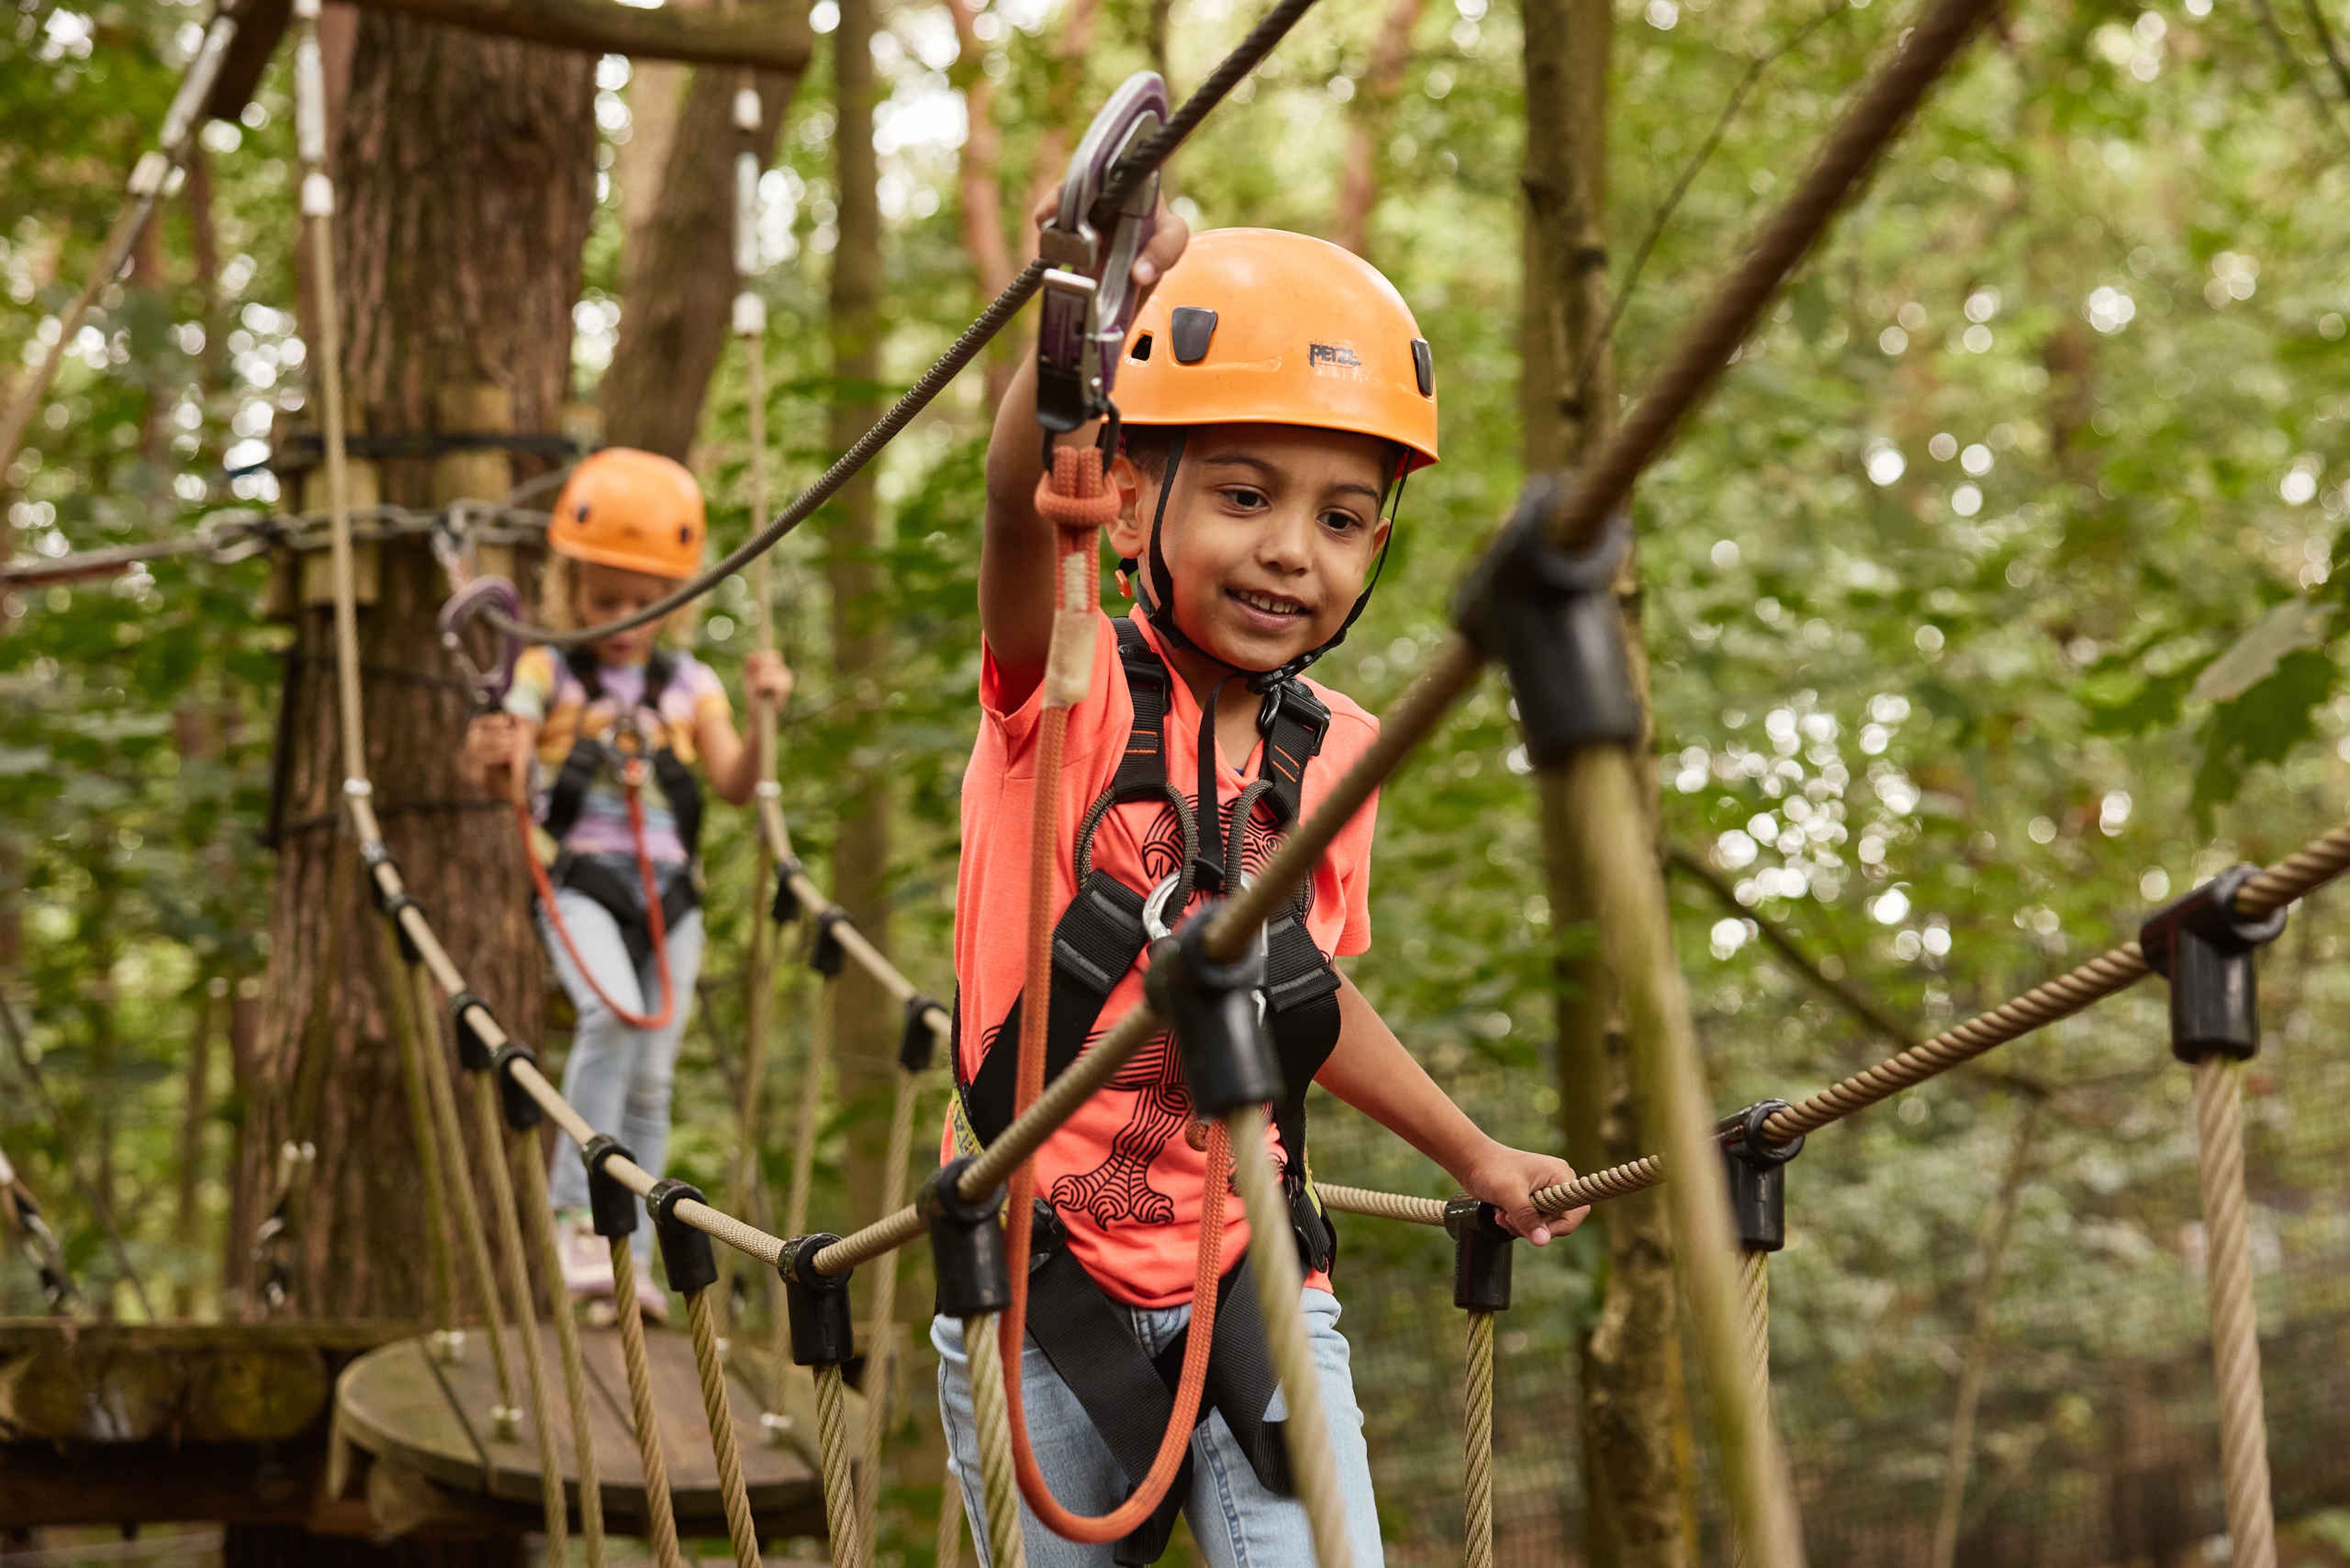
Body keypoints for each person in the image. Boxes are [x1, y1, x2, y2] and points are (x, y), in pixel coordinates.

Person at [934, 218, 1592, 1566]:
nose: (1295, 550)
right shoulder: (1070, 686)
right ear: (1125, 500)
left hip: (1253, 1275)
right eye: (1245, 497)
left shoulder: (1335, 756)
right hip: (1037, 1282)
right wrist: (1073, 324)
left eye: (1342, 520)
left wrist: (1476, 1154)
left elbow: (1310, 997)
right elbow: (1013, 511)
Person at [461, 447, 791, 1325]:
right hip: (581, 881)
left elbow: (733, 780)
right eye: (604, 601)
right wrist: (497, 756)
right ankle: (576, 1215)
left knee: (653, 1078)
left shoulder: (690, 684)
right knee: (611, 1018)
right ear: (571, 589)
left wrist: (763, 715)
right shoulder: (545, 670)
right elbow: (509, 765)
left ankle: (630, 1260)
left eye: (645, 604)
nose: (624, 620)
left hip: (671, 895)